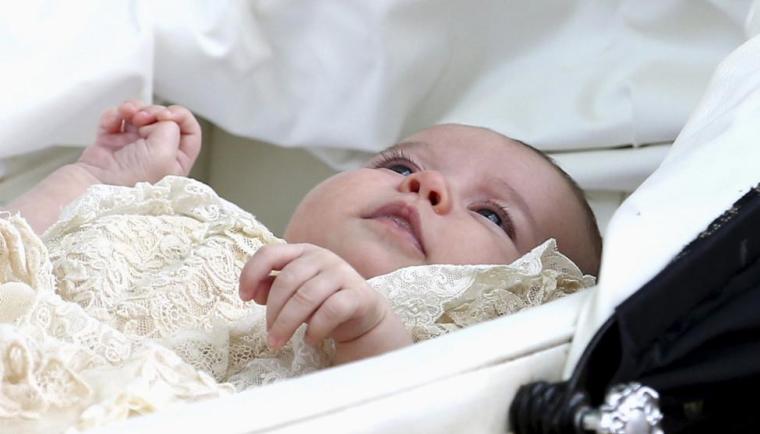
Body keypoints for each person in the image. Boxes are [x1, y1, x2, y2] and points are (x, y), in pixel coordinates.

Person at [5, 100, 601, 365]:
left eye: (492, 214)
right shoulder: (202, 231)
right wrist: (96, 181)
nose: (429, 187)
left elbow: (397, 406)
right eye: (400, 167)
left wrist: (367, 330)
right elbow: (20, 258)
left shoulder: (410, 346)